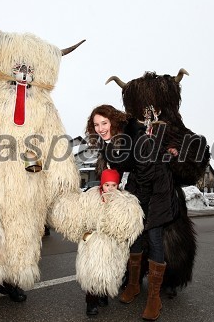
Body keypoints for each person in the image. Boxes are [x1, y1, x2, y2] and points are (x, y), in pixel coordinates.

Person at [86, 103, 192, 321]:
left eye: (104, 123)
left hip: (157, 189)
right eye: (96, 124)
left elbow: (143, 163)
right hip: (138, 185)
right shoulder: (108, 143)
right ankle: (134, 285)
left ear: (113, 121)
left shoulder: (133, 132)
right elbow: (119, 167)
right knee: (135, 237)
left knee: (153, 237)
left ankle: (154, 297)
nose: (100, 128)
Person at [82, 168, 121, 316]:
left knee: (110, 271)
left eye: (114, 185)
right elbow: (83, 220)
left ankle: (103, 293)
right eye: (107, 185)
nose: (110, 188)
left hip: (113, 243)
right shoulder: (91, 199)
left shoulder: (123, 201)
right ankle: (91, 301)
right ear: (101, 185)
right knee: (92, 273)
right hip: (94, 242)